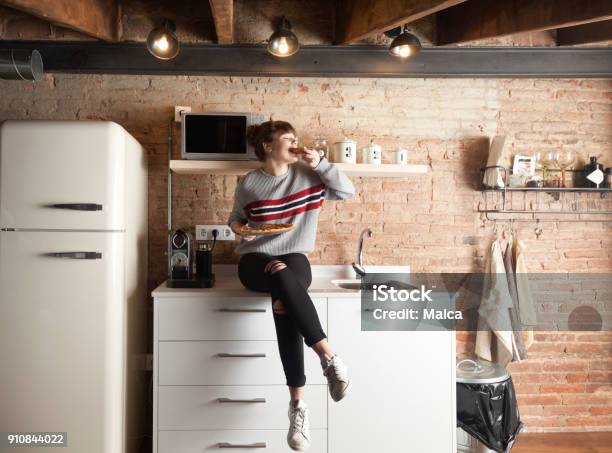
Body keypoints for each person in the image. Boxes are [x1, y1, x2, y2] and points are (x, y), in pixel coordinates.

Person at [228, 120, 355, 451]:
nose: (296, 143)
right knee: (279, 275)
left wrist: (323, 165)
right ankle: (329, 357)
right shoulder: (250, 183)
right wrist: (242, 230)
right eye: (288, 139)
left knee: (283, 293)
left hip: (295, 257)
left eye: (296, 138)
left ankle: (298, 406)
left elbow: (347, 191)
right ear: (268, 147)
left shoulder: (309, 174)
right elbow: (235, 219)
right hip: (254, 259)